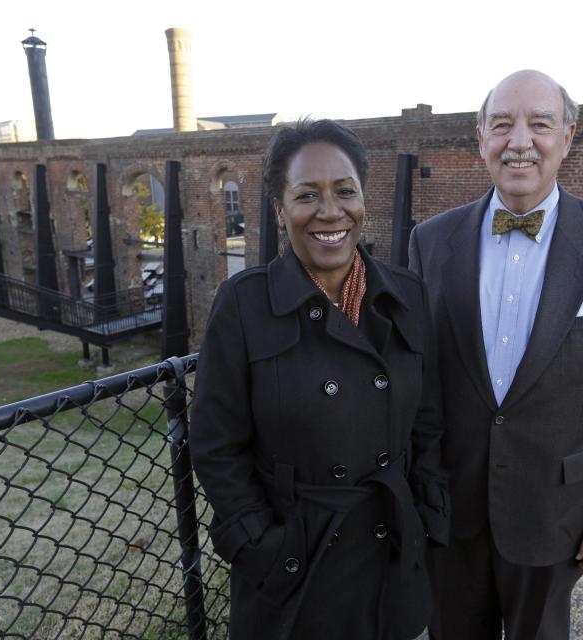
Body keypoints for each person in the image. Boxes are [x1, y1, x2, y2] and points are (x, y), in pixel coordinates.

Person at [408, 70, 583, 639]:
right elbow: (419, 379)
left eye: (539, 124)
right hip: (452, 510)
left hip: (556, 510)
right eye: (502, 124)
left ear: (567, 137)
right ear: (480, 138)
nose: (519, 140)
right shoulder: (431, 241)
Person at [190, 119, 448, 640]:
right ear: (280, 209)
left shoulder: (407, 296)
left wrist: (427, 514)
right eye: (307, 195)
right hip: (295, 568)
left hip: (392, 557)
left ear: (363, 199)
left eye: (344, 191)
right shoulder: (244, 305)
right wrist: (264, 546)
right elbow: (217, 446)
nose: (330, 211)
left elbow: (430, 423)